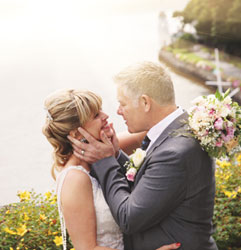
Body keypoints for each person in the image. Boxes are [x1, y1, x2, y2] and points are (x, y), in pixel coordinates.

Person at [68, 62, 218, 250]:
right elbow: (150, 180)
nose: (118, 111)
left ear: (146, 103)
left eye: (122, 104)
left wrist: (104, 160)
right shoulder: (180, 129)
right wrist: (115, 155)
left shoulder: (174, 153)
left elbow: (128, 218)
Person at [42, 89, 181, 250]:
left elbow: (154, 130)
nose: (105, 116)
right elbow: (87, 248)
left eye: (100, 110)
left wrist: (205, 118)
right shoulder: (75, 178)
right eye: (95, 115)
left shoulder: (105, 151)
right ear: (77, 134)